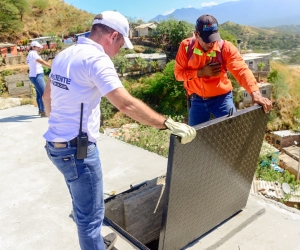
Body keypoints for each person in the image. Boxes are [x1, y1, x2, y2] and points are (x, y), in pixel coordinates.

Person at [42, 10, 196, 250]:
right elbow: (125, 104)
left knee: (84, 207)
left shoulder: (65, 54)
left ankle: (95, 243)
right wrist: (165, 123)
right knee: (90, 220)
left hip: (55, 146)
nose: (119, 51)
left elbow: (46, 97)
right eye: (121, 44)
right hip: (78, 152)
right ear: (113, 36)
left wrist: (61, 125)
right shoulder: (96, 59)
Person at [174, 14, 272, 126]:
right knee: (194, 138)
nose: (211, 43)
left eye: (213, 38)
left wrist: (255, 93)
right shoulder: (186, 47)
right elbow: (178, 74)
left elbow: (241, 70)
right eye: (207, 40)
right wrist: (200, 72)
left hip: (222, 99)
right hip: (197, 100)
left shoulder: (225, 48)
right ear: (196, 34)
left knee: (233, 132)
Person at [26, 41, 51, 117]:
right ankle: (45, 111)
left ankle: (41, 111)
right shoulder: (33, 53)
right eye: (37, 47)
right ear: (33, 47)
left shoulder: (30, 54)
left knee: (39, 94)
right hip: (37, 75)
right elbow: (41, 61)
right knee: (44, 93)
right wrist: (52, 67)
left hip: (34, 75)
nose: (39, 48)